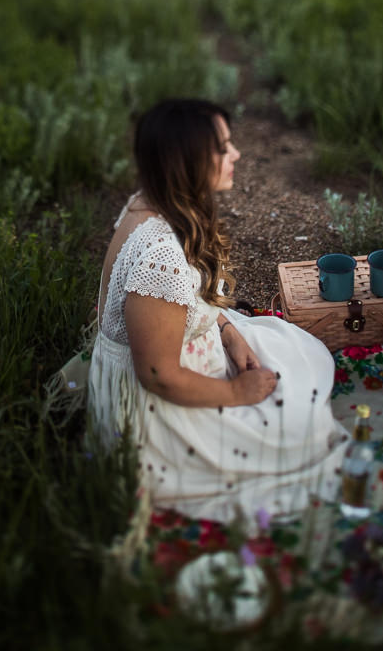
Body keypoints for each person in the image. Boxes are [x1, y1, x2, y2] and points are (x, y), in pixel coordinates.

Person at [89, 98, 347, 524]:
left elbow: (181, 304)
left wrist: (227, 329)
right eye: (223, 147)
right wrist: (235, 394)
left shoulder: (151, 201)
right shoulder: (160, 254)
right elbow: (158, 376)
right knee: (300, 428)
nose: (236, 155)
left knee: (295, 354)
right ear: (186, 160)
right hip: (157, 406)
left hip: (178, 351)